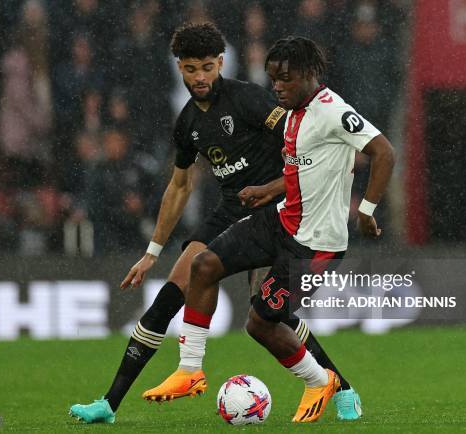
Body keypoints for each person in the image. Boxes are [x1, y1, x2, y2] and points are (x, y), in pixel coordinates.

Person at [70, 23, 359, 424]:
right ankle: (109, 404)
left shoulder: (248, 99)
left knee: (273, 316)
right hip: (228, 212)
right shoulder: (187, 122)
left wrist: (291, 185)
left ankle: (341, 388)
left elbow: (302, 133)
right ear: (179, 69)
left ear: (221, 63)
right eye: (191, 69)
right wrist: (152, 252)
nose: (200, 77)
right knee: (167, 299)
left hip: (274, 209)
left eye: (207, 67)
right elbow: (180, 184)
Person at [145, 36, 394, 423]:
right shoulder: (293, 111)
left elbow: (383, 151)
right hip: (280, 220)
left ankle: (319, 381)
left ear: (309, 75)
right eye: (273, 78)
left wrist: (366, 211)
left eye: (285, 79)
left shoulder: (332, 111)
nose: (276, 86)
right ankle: (190, 370)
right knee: (204, 264)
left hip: (315, 245)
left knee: (260, 322)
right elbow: (303, 170)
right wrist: (268, 189)